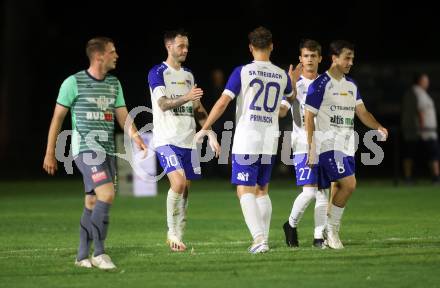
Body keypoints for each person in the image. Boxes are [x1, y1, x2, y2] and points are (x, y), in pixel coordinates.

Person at [43, 37, 147, 269]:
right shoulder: (73, 82)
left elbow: (123, 115)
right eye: (112, 51)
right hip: (86, 151)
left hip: (107, 151)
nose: (116, 55)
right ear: (100, 56)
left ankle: (82, 256)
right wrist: (50, 153)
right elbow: (57, 119)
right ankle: (100, 253)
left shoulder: (114, 84)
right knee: (107, 194)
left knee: (92, 200)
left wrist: (136, 137)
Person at [195, 26, 298, 253]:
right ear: (271, 46)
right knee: (262, 190)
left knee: (244, 190)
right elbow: (290, 100)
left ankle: (259, 239)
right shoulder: (282, 75)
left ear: (251, 47)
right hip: (270, 139)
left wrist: (205, 126)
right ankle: (263, 239)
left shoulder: (243, 71)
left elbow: (223, 102)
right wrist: (289, 91)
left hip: (247, 138)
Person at [304, 40, 388, 249]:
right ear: (334, 58)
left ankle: (327, 231)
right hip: (327, 145)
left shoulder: (351, 85)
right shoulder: (320, 84)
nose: (351, 61)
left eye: (352, 57)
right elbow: (308, 117)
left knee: (339, 188)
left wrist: (377, 126)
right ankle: (331, 230)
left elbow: (362, 112)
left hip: (347, 145)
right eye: (347, 57)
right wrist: (311, 146)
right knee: (349, 184)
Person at [147, 29, 209, 252]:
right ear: (169, 47)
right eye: (181, 46)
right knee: (178, 183)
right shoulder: (157, 72)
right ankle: (171, 233)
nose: (185, 50)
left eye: (187, 46)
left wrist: (209, 131)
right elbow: (163, 104)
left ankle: (179, 234)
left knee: (185, 191)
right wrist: (186, 97)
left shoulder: (189, 75)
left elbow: (198, 108)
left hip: (188, 141)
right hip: (166, 139)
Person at [279, 39, 328, 248]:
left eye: (313, 56)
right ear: (300, 59)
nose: (309, 59)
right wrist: (288, 88)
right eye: (305, 56)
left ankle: (319, 237)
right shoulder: (295, 86)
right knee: (309, 192)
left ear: (320, 58)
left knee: (324, 192)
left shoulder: (327, 84)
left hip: (326, 143)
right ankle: (290, 224)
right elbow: (281, 112)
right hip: (302, 143)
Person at [401, 73, 440, 184]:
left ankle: (409, 178)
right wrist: (422, 128)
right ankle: (435, 177)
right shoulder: (418, 93)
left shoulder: (414, 92)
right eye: (425, 80)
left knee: (411, 153)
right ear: (420, 81)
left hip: (417, 130)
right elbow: (420, 111)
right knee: (433, 154)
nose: (427, 82)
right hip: (424, 131)